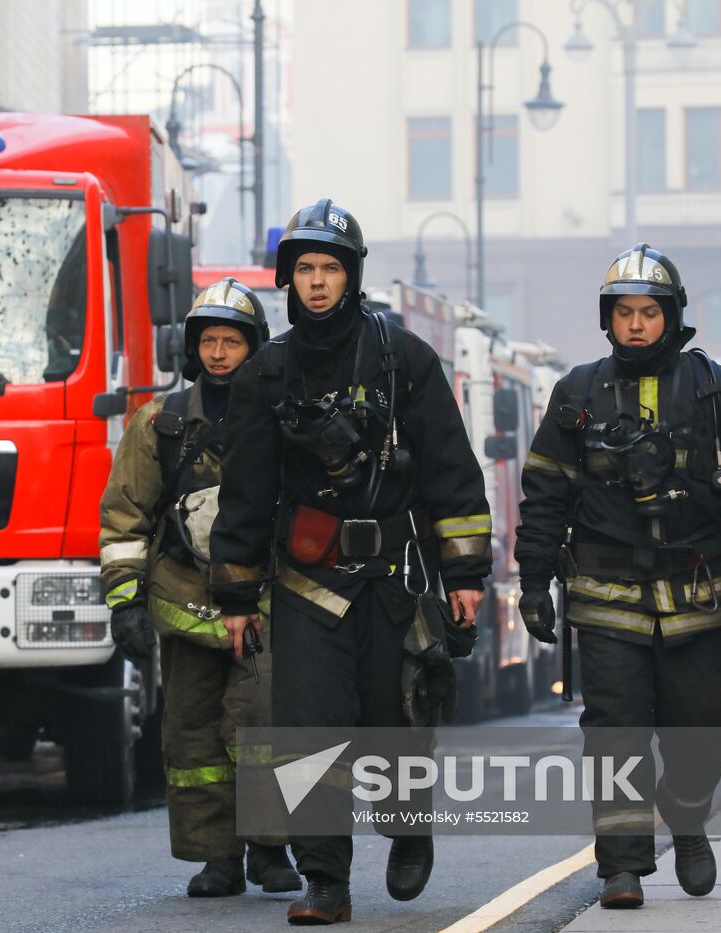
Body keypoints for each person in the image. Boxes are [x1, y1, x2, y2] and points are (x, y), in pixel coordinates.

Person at [209, 198, 492, 925]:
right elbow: (243, 496)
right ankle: (325, 879)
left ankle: (408, 828)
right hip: (306, 582)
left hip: (393, 580)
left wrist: (463, 577)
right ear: (288, 278)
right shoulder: (266, 375)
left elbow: (452, 475)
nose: (317, 281)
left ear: (352, 276)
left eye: (330, 267)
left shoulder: (407, 361)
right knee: (308, 729)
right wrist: (237, 597)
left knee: (392, 719)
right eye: (304, 268)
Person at [515, 244, 721, 910]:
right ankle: (622, 864)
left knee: (700, 722)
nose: (636, 325)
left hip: (701, 590)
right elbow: (545, 492)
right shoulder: (577, 394)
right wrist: (532, 580)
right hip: (606, 591)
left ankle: (689, 814)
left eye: (649, 312)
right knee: (614, 726)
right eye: (624, 313)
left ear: (672, 317)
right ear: (606, 320)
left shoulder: (718, 389)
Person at [98, 278, 300, 898]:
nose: (218, 352)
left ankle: (271, 851)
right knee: (193, 737)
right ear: (193, 349)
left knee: (264, 728)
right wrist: (125, 601)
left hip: (265, 605)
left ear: (253, 347)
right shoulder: (157, 424)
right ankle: (216, 858)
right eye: (208, 340)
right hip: (183, 603)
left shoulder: (284, 416)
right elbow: (124, 515)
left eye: (231, 341)